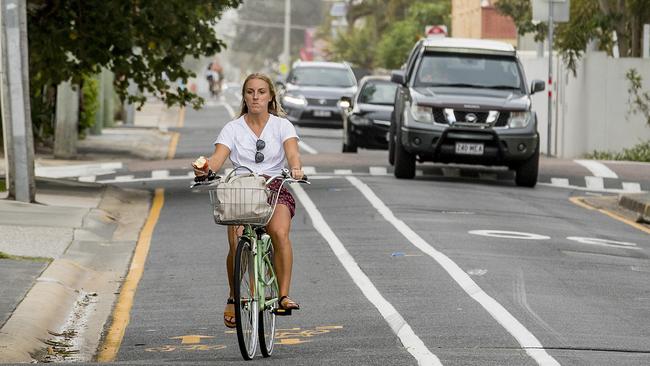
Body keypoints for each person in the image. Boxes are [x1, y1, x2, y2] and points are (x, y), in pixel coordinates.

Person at [193, 72, 305, 329]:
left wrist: (296, 168)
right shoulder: (232, 128)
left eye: (261, 92)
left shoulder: (282, 126)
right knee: (236, 241)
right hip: (241, 188)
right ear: (244, 96)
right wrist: (205, 168)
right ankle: (234, 296)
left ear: (270, 97)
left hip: (272, 186)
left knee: (279, 232)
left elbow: (292, 153)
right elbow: (218, 159)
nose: (255, 97)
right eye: (250, 92)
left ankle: (283, 296)